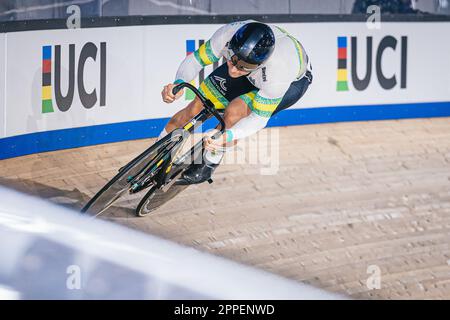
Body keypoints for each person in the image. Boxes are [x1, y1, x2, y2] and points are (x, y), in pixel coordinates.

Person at [159, 20, 313, 184]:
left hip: (292, 83)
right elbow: (196, 60)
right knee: (196, 106)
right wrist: (178, 83)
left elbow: (258, 119)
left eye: (242, 67)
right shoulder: (228, 34)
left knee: (234, 113)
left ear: (260, 63)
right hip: (253, 67)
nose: (232, 70)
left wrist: (227, 136)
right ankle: (159, 154)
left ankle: (210, 161)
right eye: (231, 60)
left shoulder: (278, 73)